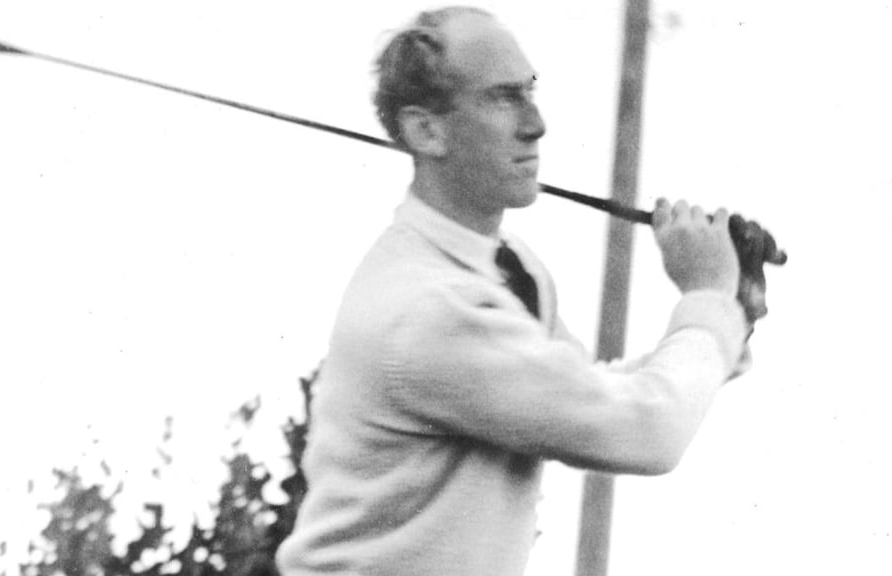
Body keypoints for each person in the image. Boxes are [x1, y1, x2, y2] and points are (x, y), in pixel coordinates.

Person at [276, 6, 749, 576]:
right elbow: (644, 432)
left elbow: (587, 395)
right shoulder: (430, 305)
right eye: (502, 98)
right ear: (426, 130)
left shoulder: (508, 265)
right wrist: (706, 300)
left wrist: (729, 312)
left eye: (530, 91)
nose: (536, 124)